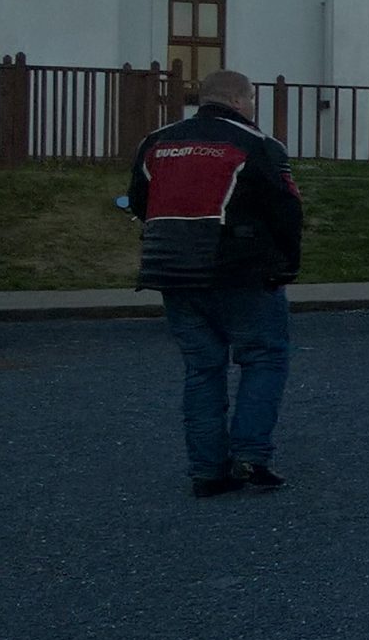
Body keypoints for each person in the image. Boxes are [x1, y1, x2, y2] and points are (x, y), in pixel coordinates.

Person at [127, 69, 304, 496]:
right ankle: (250, 456)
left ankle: (207, 471)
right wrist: (286, 265)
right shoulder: (257, 144)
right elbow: (286, 210)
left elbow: (138, 202)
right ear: (240, 100)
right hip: (240, 270)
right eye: (252, 100)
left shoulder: (156, 142)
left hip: (172, 270)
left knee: (202, 369)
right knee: (264, 357)